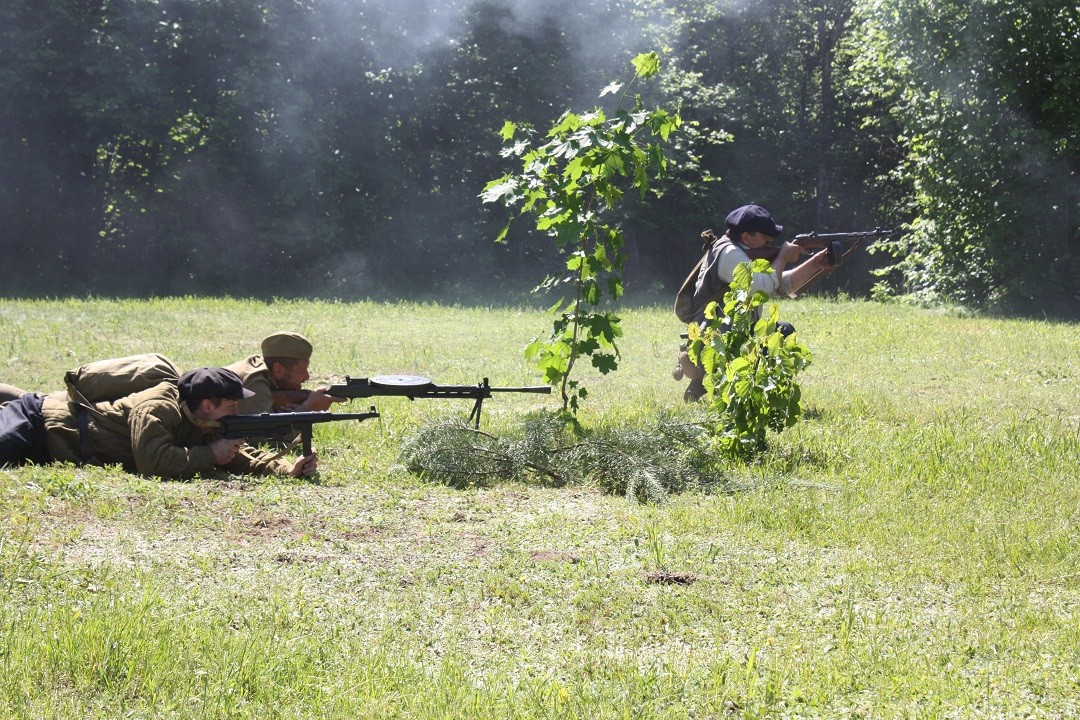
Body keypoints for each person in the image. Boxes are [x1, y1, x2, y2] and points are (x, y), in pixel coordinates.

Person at [0, 367, 317, 479]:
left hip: (50, 447)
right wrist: (211, 455)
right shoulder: (157, 406)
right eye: (232, 406)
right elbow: (153, 460)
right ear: (207, 405)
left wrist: (288, 468)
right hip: (36, 422)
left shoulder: (206, 420)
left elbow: (237, 452)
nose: (236, 414)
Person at [674, 204, 831, 402]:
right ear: (747, 237)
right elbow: (762, 287)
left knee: (783, 331)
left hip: (732, 336)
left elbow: (780, 285)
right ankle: (705, 381)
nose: (769, 241)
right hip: (717, 340)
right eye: (765, 237)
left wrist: (817, 263)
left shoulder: (740, 251)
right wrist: (783, 256)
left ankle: (729, 387)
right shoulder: (730, 253)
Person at [227, 331, 345, 415]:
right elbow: (265, 438)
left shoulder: (262, 368)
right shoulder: (253, 382)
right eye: (302, 370)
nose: (307, 377)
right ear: (278, 369)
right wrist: (307, 409)